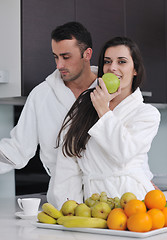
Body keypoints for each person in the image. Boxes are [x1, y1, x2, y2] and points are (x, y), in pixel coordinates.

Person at [53, 36, 161, 209]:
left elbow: (123, 153)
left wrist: (104, 111)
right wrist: (69, 208)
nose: (112, 68)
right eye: (107, 61)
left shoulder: (147, 114)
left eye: (122, 61)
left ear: (135, 70)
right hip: (94, 205)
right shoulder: (84, 108)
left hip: (133, 203)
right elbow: (68, 161)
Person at [0, 22, 97, 199]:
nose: (59, 65)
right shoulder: (41, 95)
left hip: (108, 195)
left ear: (87, 54)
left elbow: (127, 143)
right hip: (64, 200)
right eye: (56, 57)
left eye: (66, 57)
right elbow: (18, 149)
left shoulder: (111, 90)